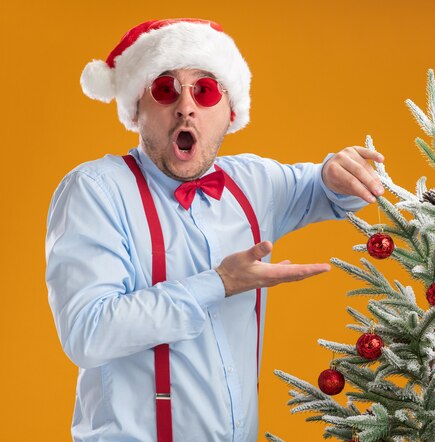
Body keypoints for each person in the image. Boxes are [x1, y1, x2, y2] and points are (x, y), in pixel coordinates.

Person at [45, 18, 385, 442]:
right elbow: (88, 332)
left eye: (204, 91)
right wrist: (219, 284)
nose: (186, 106)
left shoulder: (252, 183)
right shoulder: (96, 190)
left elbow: (332, 190)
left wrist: (338, 171)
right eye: (166, 89)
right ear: (136, 109)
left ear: (230, 113)